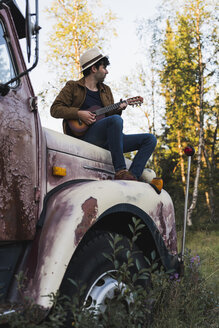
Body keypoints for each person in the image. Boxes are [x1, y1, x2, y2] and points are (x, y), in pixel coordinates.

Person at [50, 47, 157, 181]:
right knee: (115, 120)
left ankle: (132, 176)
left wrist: (119, 108)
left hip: (109, 139)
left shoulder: (106, 90)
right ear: (94, 69)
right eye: (104, 67)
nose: (107, 71)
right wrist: (79, 114)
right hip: (85, 138)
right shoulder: (73, 87)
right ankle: (120, 170)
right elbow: (55, 109)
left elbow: (109, 117)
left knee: (150, 139)